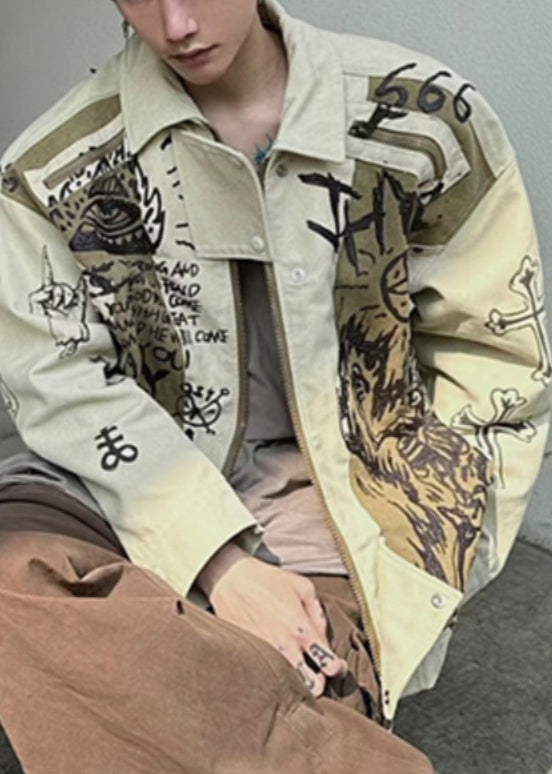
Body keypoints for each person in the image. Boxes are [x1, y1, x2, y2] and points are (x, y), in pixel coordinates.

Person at [0, 0, 548, 771]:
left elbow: (496, 357)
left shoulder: (424, 120)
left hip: (342, 501)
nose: (176, 24)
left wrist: (432, 530)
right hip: (120, 485)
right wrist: (219, 562)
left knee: (293, 666)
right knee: (12, 571)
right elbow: (60, 384)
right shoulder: (49, 168)